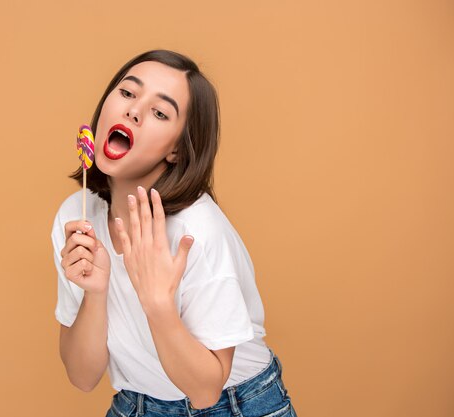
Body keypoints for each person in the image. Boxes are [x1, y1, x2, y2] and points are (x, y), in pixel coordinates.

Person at [52, 50, 298, 417]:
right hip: (135, 404)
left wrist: (157, 303)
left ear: (177, 150)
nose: (134, 111)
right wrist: (95, 293)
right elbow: (83, 376)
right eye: (128, 93)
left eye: (160, 112)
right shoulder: (77, 218)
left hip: (235, 406)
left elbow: (205, 391)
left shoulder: (197, 231)